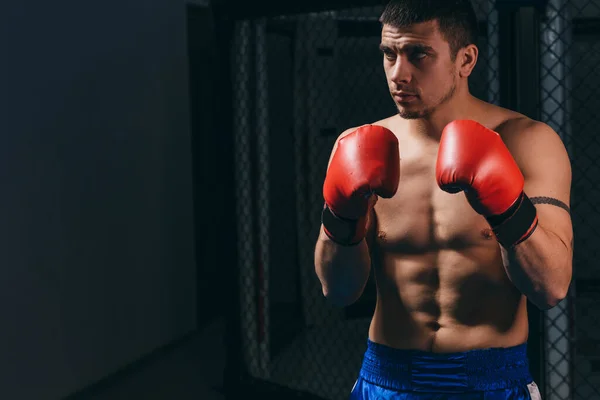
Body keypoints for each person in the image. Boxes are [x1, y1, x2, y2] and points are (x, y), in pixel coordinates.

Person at [313, 0, 573, 398]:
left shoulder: (528, 143)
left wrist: (506, 208)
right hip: (387, 379)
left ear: (466, 60)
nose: (399, 74)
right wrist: (342, 218)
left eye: (419, 54)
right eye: (389, 54)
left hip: (490, 382)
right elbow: (338, 290)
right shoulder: (357, 147)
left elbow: (551, 287)